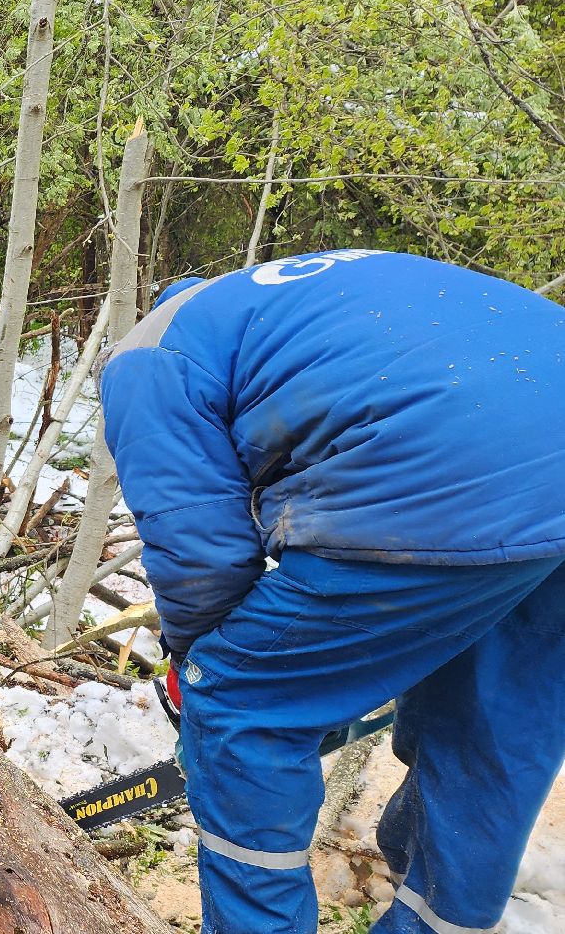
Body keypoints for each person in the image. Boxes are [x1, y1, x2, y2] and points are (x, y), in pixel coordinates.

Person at [98, 249, 565, 934]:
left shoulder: (146, 357)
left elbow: (199, 555)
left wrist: (200, 668)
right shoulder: (289, 302)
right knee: (493, 725)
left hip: (448, 473)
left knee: (242, 703)